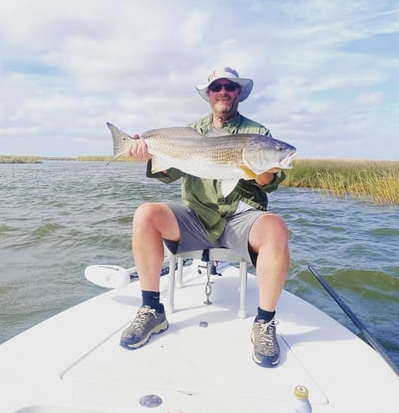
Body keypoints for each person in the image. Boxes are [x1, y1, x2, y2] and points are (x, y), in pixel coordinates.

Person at [119, 66, 290, 368]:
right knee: (145, 214)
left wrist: (264, 169)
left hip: (242, 219)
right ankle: (151, 310)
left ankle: (264, 323)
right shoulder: (191, 133)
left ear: (239, 93)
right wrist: (145, 154)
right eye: (217, 87)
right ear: (209, 95)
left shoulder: (259, 134)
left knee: (275, 227)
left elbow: (269, 182)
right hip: (196, 218)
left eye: (230, 87)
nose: (223, 91)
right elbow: (166, 174)